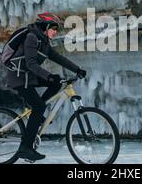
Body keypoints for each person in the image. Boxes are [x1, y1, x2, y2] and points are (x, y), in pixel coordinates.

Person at [5, 12, 87, 161]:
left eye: (56, 29)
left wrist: (77, 69)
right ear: (46, 27)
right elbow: (31, 64)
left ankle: (37, 111)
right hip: (19, 78)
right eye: (54, 28)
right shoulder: (31, 38)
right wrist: (47, 75)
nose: (55, 32)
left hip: (28, 77)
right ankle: (25, 148)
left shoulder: (43, 42)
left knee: (56, 83)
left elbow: (58, 58)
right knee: (39, 107)